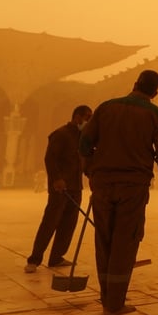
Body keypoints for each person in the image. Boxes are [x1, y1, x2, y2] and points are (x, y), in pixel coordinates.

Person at [79, 70, 158, 315]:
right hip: (132, 186)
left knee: (104, 240)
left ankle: (106, 297)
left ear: (135, 84)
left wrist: (90, 169)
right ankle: (114, 303)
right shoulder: (156, 114)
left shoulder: (106, 108)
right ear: (155, 93)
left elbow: (84, 143)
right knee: (125, 241)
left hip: (102, 183)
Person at [24, 105, 93, 273]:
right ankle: (34, 259)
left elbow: (84, 160)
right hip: (60, 189)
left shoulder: (82, 137)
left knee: (68, 224)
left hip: (76, 187)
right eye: (87, 118)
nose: (89, 122)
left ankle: (56, 257)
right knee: (50, 222)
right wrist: (57, 179)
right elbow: (50, 158)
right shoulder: (61, 134)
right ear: (77, 117)